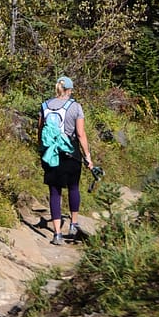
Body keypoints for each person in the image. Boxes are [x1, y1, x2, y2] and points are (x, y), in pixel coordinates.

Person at [37, 75, 94, 245]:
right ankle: (73, 224)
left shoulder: (45, 106)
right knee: (73, 188)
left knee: (55, 192)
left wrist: (42, 151)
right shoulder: (75, 107)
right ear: (69, 90)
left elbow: (40, 132)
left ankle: (56, 234)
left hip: (51, 155)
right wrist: (88, 157)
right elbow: (81, 134)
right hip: (71, 154)